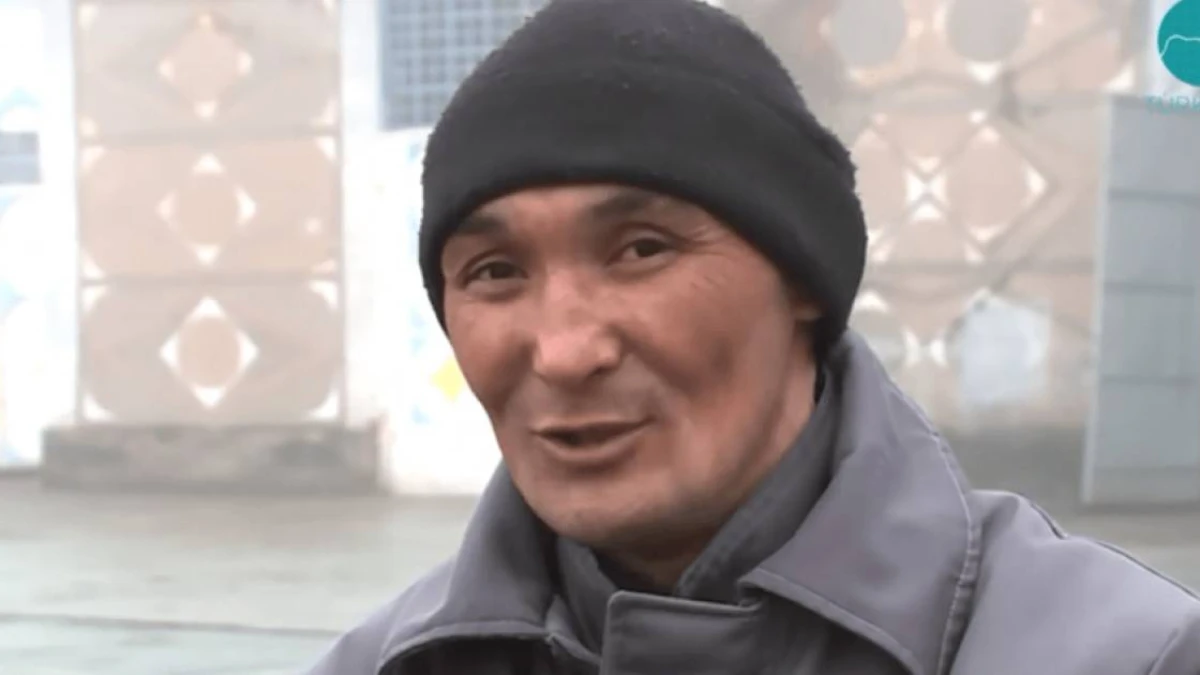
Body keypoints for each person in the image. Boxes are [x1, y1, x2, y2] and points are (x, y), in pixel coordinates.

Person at [307, 0, 1200, 673]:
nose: (566, 351)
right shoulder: (383, 663)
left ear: (802, 280)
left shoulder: (1130, 653)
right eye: (495, 270)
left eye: (642, 249)